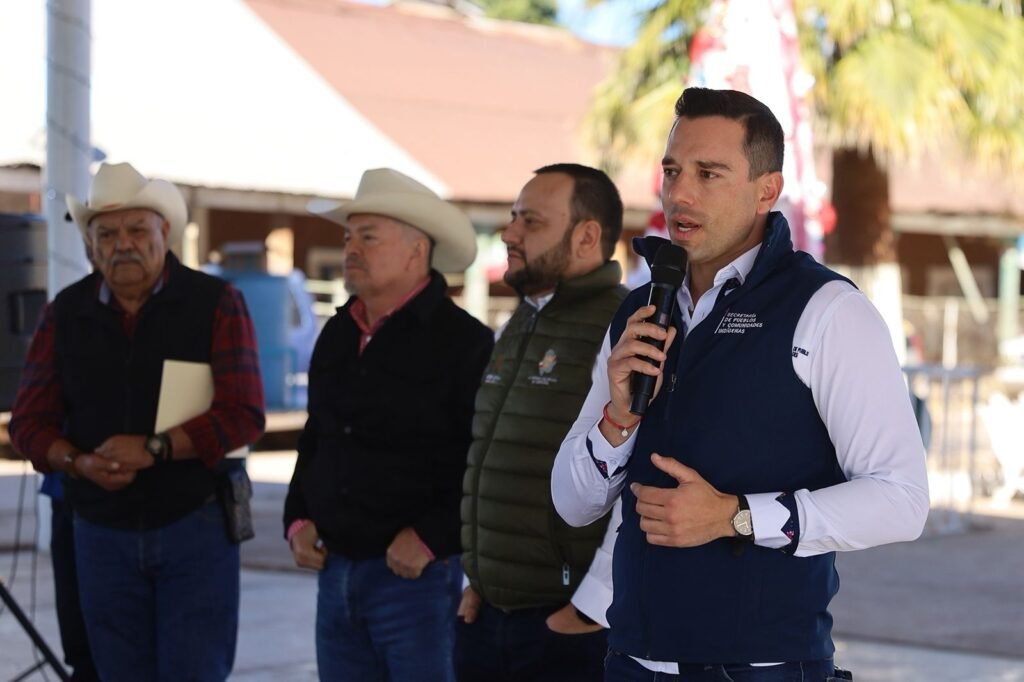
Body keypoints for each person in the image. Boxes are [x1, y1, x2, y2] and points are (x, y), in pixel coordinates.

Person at [551, 88, 930, 681]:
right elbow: (573, 505)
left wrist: (736, 517)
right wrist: (617, 419)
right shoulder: (639, 311)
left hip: (763, 666)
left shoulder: (828, 311)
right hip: (632, 661)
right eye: (672, 171)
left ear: (766, 191)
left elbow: (902, 501)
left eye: (708, 173)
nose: (679, 193)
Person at [9, 161, 266, 682]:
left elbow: (244, 414)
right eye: (107, 234)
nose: (122, 244)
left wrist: (154, 448)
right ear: (90, 246)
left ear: (164, 233)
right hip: (98, 528)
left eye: (136, 230)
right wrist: (77, 462)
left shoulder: (216, 302)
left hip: (195, 522)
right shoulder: (64, 313)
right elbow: (28, 424)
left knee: (193, 672)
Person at [283, 168, 494, 681]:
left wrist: (432, 537)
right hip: (336, 568)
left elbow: (482, 458)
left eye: (368, 236)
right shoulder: (338, 332)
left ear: (416, 251)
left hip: (417, 574)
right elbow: (317, 436)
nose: (351, 248)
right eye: (348, 237)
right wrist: (298, 517)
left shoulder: (463, 342)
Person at [458, 163, 628, 681]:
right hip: (488, 615)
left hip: (567, 627)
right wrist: (476, 580)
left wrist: (592, 606)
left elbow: (641, 481)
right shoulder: (522, 319)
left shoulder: (624, 325)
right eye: (513, 218)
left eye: (530, 221)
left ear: (587, 236)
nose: (509, 234)